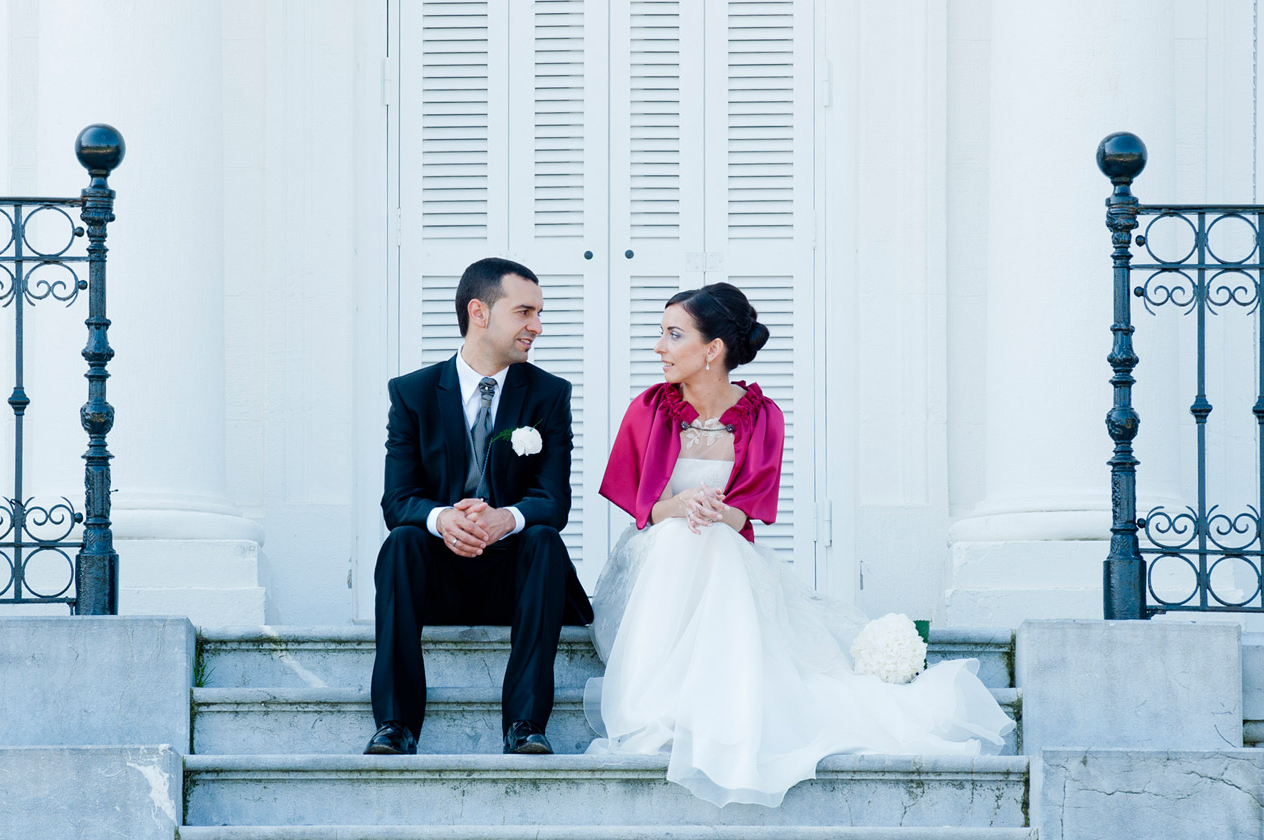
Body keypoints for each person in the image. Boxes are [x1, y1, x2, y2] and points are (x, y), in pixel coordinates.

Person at [587, 282, 1014, 807]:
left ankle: (716, 697)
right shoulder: (648, 409)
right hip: (656, 556)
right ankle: (661, 700)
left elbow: (748, 509)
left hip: (724, 550)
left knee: (711, 539)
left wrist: (715, 510)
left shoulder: (762, 415)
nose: (660, 347)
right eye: (661, 334)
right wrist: (681, 506)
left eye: (673, 335)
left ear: (712, 349)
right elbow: (640, 508)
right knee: (681, 535)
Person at [368, 257, 594, 757]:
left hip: (514, 580)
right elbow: (398, 500)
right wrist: (443, 518)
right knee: (402, 540)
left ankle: (526, 724)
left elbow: (552, 501)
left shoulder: (550, 394)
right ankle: (395, 724)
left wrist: (503, 519)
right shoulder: (413, 394)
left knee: (542, 538)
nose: (537, 326)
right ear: (480, 312)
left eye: (539, 313)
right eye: (525, 312)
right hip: (437, 579)